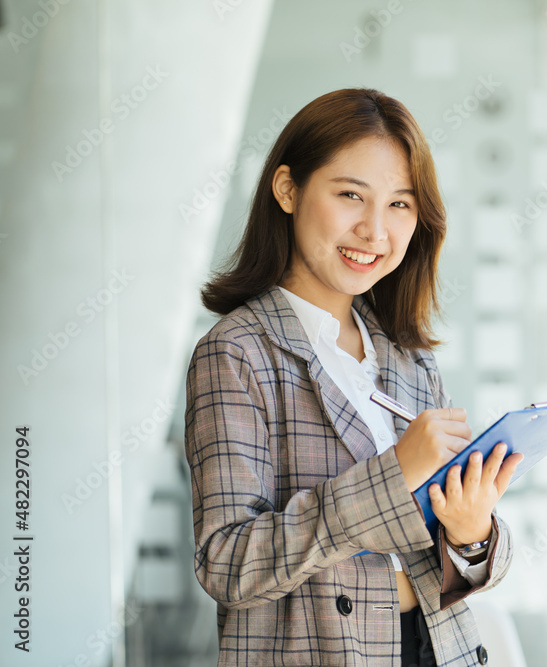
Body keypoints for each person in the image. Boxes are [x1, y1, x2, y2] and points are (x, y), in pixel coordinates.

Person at [183, 88, 523, 666]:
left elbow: (466, 568)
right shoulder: (237, 353)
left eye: (400, 205)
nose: (375, 230)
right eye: (350, 196)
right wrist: (392, 478)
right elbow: (227, 564)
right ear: (288, 190)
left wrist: (472, 532)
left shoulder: (408, 357)